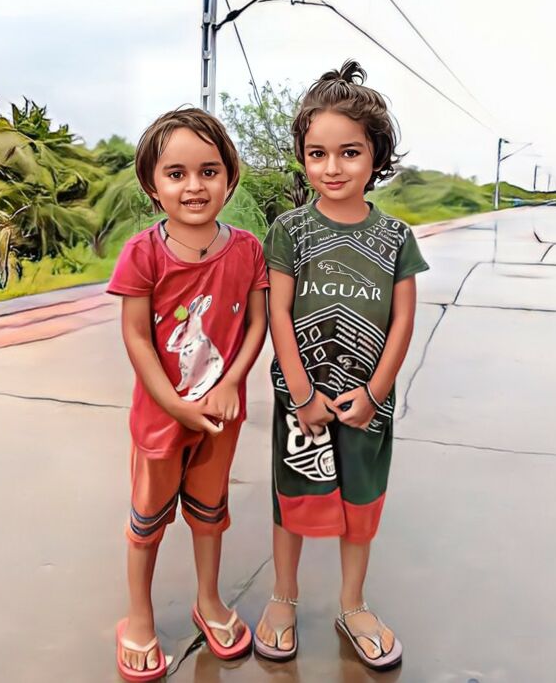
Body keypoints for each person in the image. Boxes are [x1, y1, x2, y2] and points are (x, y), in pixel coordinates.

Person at [254, 60, 429, 670]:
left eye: (349, 152)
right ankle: (283, 597)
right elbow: (278, 315)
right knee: (293, 500)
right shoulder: (290, 231)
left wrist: (375, 393)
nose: (332, 168)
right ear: (303, 158)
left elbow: (402, 321)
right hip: (302, 405)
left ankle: (353, 604)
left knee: (361, 505)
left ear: (376, 155)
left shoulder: (397, 237)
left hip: (366, 407)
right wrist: (302, 395)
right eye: (317, 154)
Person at [108, 108, 268, 680]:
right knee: (147, 523)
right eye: (176, 173)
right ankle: (139, 616)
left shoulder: (247, 250)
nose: (194, 186)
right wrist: (174, 404)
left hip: (220, 417)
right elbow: (136, 336)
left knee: (209, 514)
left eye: (209, 171)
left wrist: (230, 383)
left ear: (230, 177)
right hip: (161, 419)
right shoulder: (142, 253)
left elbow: (257, 324)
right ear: (153, 184)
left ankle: (209, 601)